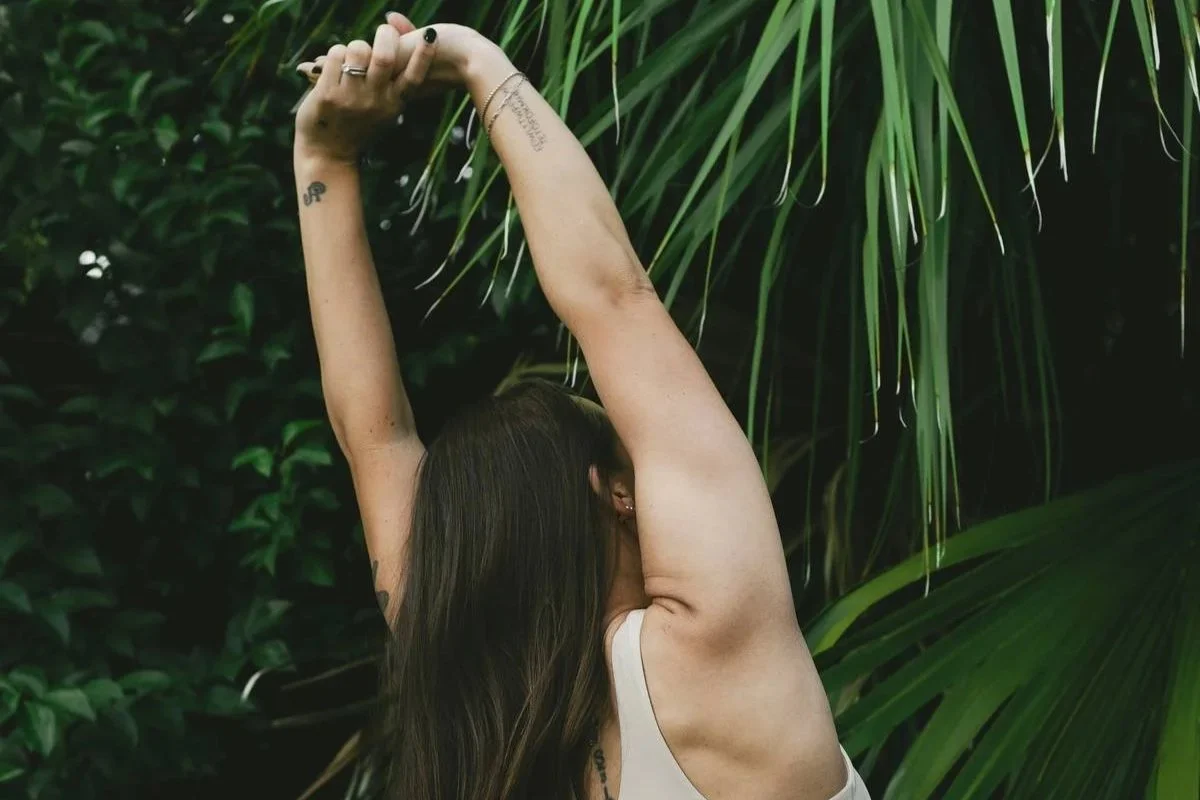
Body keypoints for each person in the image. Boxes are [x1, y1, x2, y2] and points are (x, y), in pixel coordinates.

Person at [292, 12, 870, 800]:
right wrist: (469, 56)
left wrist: (323, 157)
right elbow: (614, 300)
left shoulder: (487, 730)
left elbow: (374, 442)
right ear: (616, 490)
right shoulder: (702, 665)